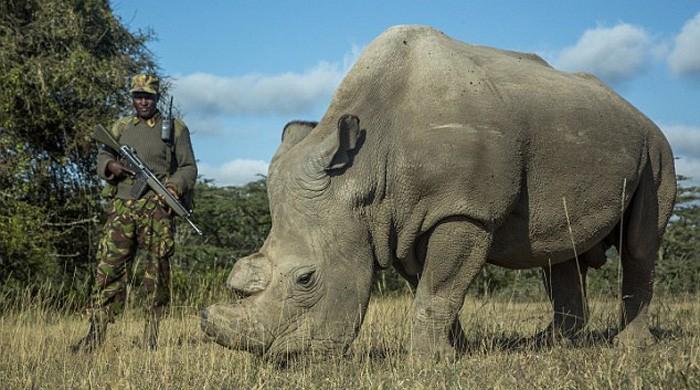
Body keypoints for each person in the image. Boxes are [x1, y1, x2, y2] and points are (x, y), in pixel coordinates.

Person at [71, 74, 197, 352]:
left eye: (148, 96)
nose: (142, 101)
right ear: (131, 98)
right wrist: (111, 167)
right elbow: (103, 156)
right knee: (109, 269)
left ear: (157, 98)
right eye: (138, 96)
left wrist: (174, 187)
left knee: (157, 272)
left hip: (157, 209)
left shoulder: (175, 129)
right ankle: (95, 335)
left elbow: (188, 167)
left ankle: (151, 337)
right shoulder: (121, 126)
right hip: (122, 208)